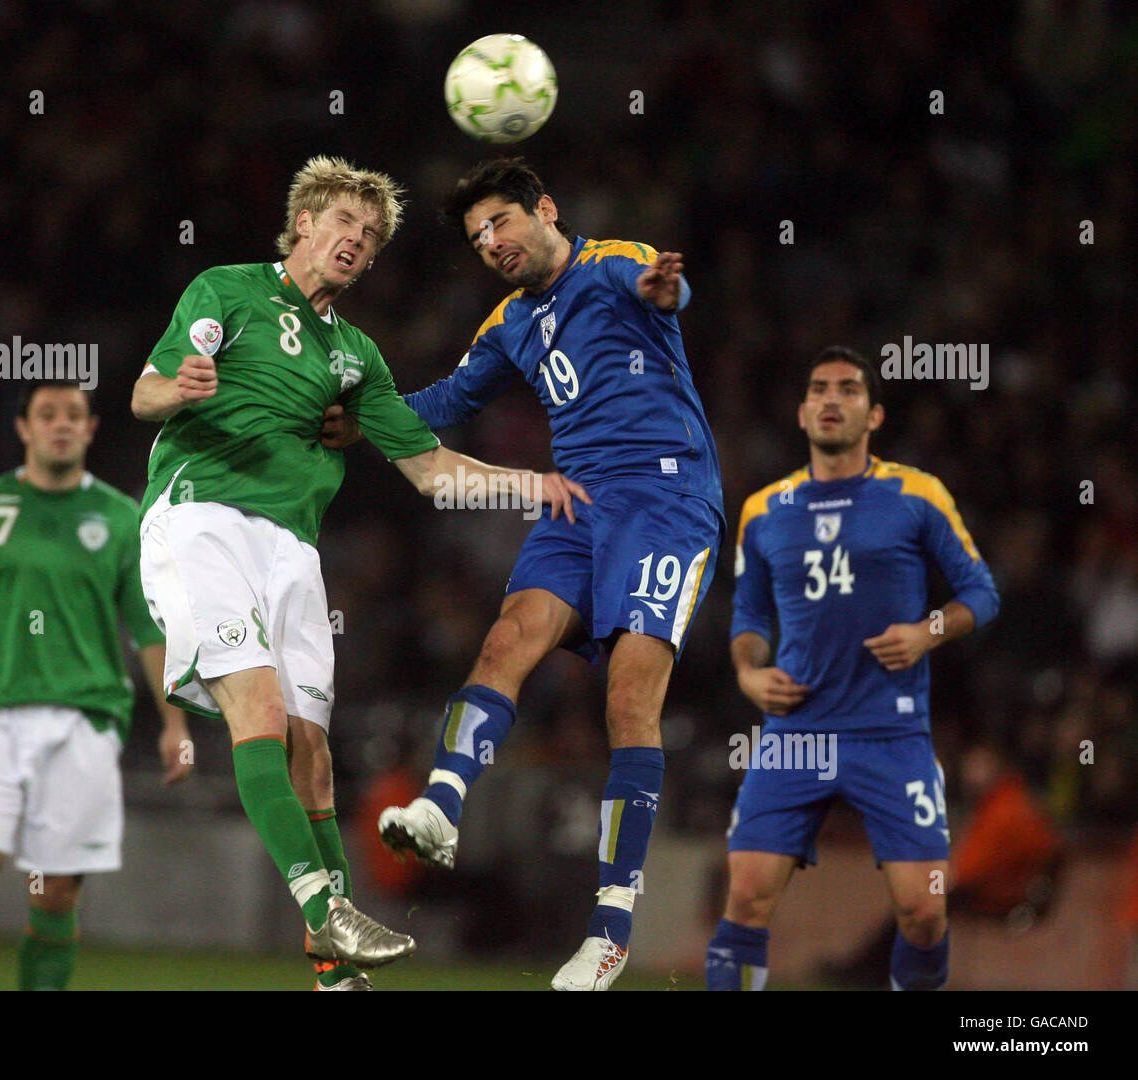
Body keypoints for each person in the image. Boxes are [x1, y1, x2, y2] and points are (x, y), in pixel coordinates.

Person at [131, 156, 588, 989]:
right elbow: (146, 392)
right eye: (345, 221)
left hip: (292, 549)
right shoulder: (226, 290)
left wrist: (534, 484)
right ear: (303, 222)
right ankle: (324, 909)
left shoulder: (356, 358)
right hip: (203, 518)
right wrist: (179, 389)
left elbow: (431, 468)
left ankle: (335, 976)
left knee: (313, 753)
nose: (357, 241)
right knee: (260, 712)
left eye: (371, 236)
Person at [324, 157, 726, 990]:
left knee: (627, 696)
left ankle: (610, 929)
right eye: (477, 237)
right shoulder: (509, 323)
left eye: (501, 222)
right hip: (577, 503)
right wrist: (359, 415)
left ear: (545, 210)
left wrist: (667, 292)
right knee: (508, 637)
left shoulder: (614, 263)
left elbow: (662, 289)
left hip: (666, 497)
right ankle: (440, 805)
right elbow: (447, 401)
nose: (492, 243)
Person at [707, 347, 1000, 991]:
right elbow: (750, 616)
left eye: (848, 389)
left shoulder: (917, 494)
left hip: (892, 735)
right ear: (801, 412)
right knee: (748, 895)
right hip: (795, 734)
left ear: (875, 414)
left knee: (923, 912)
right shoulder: (762, 510)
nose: (831, 399)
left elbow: (981, 592)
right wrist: (748, 674)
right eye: (818, 389)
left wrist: (926, 632)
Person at [0, 381, 193, 991]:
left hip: (83, 722)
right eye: (47, 414)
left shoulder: (120, 518)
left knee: (56, 890)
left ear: (90, 430)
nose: (61, 424)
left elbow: (148, 629)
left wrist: (174, 724)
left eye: (74, 415)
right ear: (24, 429)